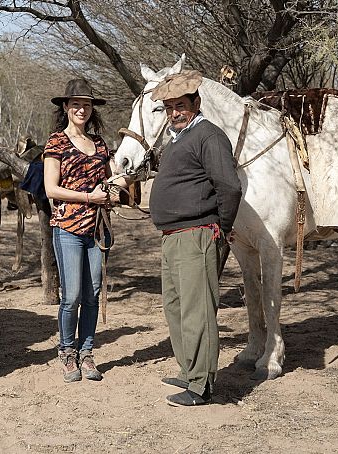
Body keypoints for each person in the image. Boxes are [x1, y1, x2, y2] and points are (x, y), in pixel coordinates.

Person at [148, 70, 242, 406]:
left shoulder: (209, 136)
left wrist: (221, 227)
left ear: (196, 103)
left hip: (197, 234)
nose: (174, 112)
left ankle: (201, 386)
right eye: (170, 106)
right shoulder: (178, 139)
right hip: (173, 237)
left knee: (197, 311)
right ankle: (190, 371)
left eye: (181, 105)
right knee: (176, 308)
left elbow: (229, 187)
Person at [43, 78, 111, 383]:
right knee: (71, 296)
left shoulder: (100, 144)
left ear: (92, 108)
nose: (81, 109)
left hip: (96, 229)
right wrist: (89, 197)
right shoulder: (56, 142)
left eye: (86, 104)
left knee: (93, 294)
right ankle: (67, 351)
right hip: (68, 228)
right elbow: (51, 189)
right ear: (66, 107)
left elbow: (109, 182)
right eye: (75, 104)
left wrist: (117, 188)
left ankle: (87, 353)